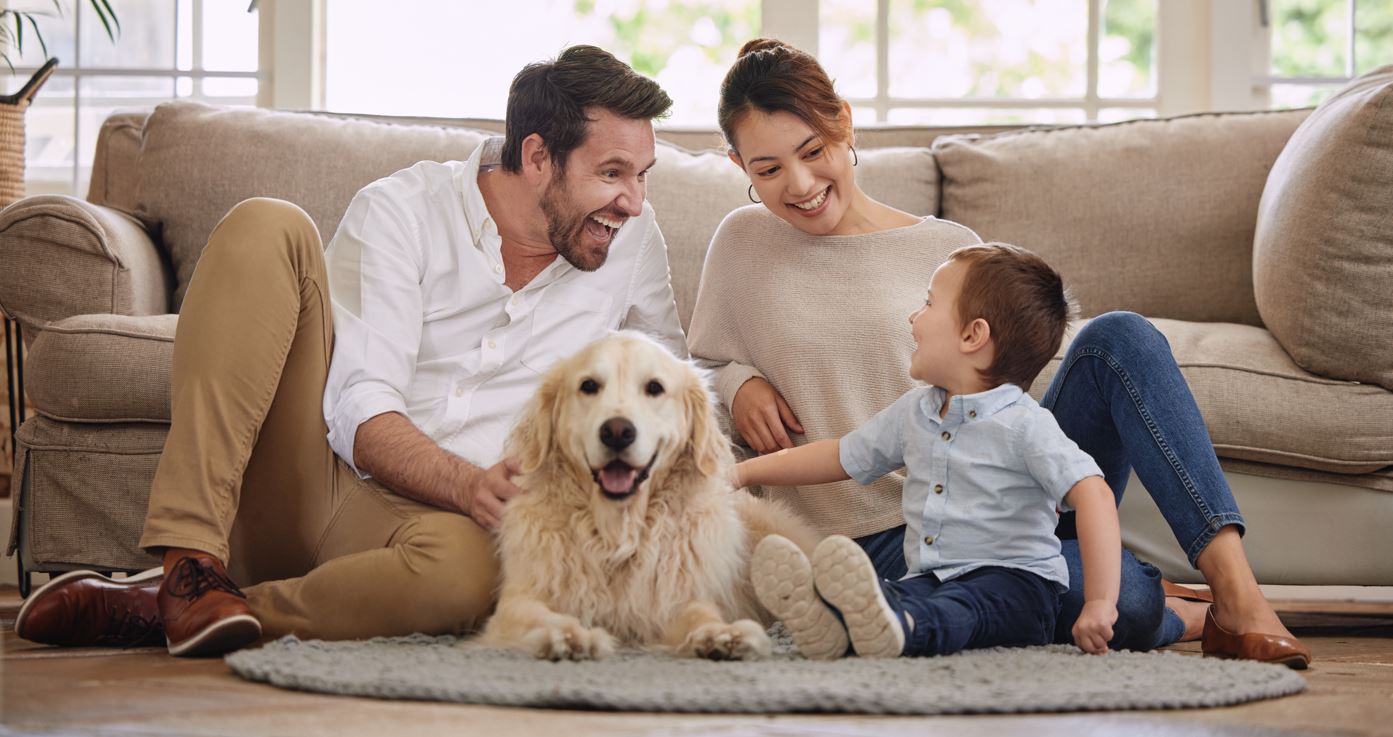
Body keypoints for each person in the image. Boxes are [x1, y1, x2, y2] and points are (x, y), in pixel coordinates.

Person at [15, 45, 686, 656]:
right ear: (538, 157)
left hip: (434, 529)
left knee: (469, 578)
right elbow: (362, 410)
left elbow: (674, 381)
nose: (631, 200)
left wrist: (738, 385)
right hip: (314, 476)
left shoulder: (630, 235)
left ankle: (181, 610)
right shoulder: (404, 210)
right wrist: (467, 481)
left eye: (642, 175)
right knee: (266, 226)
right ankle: (188, 566)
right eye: (611, 173)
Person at [688, 38, 1310, 667]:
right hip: (881, 543)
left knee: (1122, 337)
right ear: (741, 167)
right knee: (1125, 603)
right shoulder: (743, 245)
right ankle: (1167, 602)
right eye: (767, 170)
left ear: (842, 122)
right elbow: (695, 370)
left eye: (813, 151)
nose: (799, 184)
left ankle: (1237, 595)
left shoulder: (953, 249)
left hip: (1009, 510)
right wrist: (739, 381)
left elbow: (1010, 403)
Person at [742, 244, 1121, 660]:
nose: (912, 316)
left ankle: (903, 628)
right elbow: (840, 456)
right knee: (889, 593)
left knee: (961, 608)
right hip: (930, 577)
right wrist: (744, 474)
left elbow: (1094, 493)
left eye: (927, 303)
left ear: (972, 335)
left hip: (1018, 586)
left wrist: (1100, 603)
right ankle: (834, 621)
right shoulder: (916, 411)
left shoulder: (1025, 424)